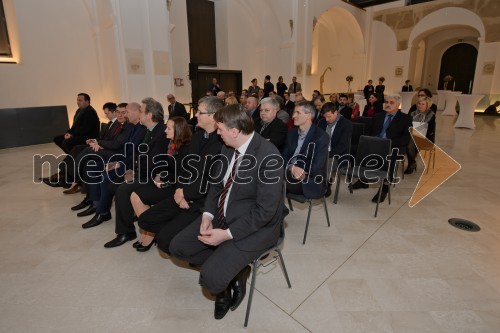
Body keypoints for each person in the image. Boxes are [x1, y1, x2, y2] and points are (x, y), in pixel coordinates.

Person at [169, 103, 286, 321]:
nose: (217, 133)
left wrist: (227, 234)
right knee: (178, 247)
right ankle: (234, 270)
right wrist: (208, 216)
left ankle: (232, 273)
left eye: (220, 129)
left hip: (255, 226)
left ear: (234, 131)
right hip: (223, 214)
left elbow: (265, 211)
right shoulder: (228, 147)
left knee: (210, 280)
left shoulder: (269, 156)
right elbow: (216, 186)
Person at [136, 96, 224, 253]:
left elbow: (210, 181)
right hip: (184, 193)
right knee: (144, 220)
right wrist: (180, 190)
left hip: (201, 201)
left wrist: (186, 194)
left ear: (213, 115)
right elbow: (187, 170)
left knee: (165, 241)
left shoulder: (222, 143)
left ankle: (208, 252)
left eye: (199, 112)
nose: (195, 115)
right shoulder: (197, 136)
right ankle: (176, 231)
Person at [102, 97, 169, 246]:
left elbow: (155, 163)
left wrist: (135, 173)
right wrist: (131, 168)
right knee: (114, 184)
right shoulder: (149, 130)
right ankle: (128, 220)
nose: (139, 113)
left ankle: (126, 232)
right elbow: (140, 156)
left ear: (149, 115)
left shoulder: (161, 133)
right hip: (142, 172)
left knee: (122, 190)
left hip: (152, 177)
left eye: (141, 111)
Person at [126, 117, 192, 251]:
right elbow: (170, 168)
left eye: (168, 128)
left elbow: (183, 175)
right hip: (171, 182)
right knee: (134, 195)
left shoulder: (187, 148)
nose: (165, 130)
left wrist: (164, 179)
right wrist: (161, 175)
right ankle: (149, 231)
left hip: (178, 187)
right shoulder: (172, 145)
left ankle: (149, 234)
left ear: (178, 130)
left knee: (138, 195)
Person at [76, 102, 147, 227]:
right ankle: (95, 204)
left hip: (127, 163)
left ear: (136, 113)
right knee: (92, 167)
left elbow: (131, 152)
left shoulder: (141, 129)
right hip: (121, 158)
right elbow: (124, 148)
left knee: (105, 176)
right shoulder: (132, 126)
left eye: (127, 112)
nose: (124, 115)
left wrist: (118, 162)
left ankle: (102, 212)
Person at [352, 94, 412, 203]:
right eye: (386, 102)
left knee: (391, 157)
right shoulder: (378, 116)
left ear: (398, 104)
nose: (388, 104)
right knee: (359, 149)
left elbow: (406, 138)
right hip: (375, 144)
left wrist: (388, 143)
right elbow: (369, 132)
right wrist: (370, 140)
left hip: (393, 146)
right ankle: (364, 180)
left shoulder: (405, 118)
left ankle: (384, 188)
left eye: (391, 102)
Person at [282, 100, 329, 198]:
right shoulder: (292, 133)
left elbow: (317, 167)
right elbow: (284, 156)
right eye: (294, 112)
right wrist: (292, 167)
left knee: (273, 182)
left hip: (309, 180)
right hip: (290, 172)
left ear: (308, 115)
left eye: (298, 112)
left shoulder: (321, 136)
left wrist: (297, 170)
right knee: (265, 175)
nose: (293, 116)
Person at [317, 102, 352, 196]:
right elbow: (316, 138)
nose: (326, 119)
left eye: (329, 116)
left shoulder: (346, 124)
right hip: (322, 151)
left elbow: (343, 146)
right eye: (325, 117)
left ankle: (325, 184)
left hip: (338, 154)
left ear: (336, 112)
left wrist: (327, 153)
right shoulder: (321, 122)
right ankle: (314, 183)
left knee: (325, 162)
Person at [405, 96, 436, 174]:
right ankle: (412, 162)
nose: (420, 105)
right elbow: (407, 125)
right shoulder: (413, 113)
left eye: (423, 104)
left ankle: (411, 163)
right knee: (410, 141)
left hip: (425, 137)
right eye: (419, 103)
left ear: (427, 105)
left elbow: (431, 130)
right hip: (412, 136)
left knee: (410, 143)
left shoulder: (430, 115)